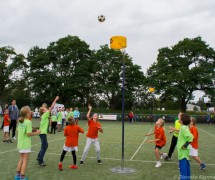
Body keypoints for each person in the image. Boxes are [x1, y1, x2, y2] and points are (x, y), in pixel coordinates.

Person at [15, 106, 41, 180]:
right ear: (27, 114)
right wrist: (37, 132)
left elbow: (20, 130)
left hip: (20, 144)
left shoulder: (20, 121)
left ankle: (17, 175)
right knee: (25, 160)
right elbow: (28, 134)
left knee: (21, 159)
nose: (31, 112)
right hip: (25, 144)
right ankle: (22, 177)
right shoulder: (28, 122)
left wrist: (32, 130)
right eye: (29, 111)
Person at [37, 96, 59, 166]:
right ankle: (40, 161)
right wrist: (55, 99)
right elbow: (52, 107)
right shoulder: (45, 114)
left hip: (42, 133)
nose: (46, 109)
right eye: (44, 108)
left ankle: (39, 157)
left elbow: (49, 116)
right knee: (45, 146)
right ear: (43, 111)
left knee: (44, 146)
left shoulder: (44, 115)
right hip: (42, 133)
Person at [177, 113, 193, 180]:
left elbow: (190, 137)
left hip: (183, 152)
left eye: (179, 117)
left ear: (182, 120)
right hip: (184, 152)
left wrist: (185, 145)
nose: (178, 117)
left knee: (183, 171)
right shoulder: (184, 127)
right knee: (186, 168)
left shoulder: (183, 127)